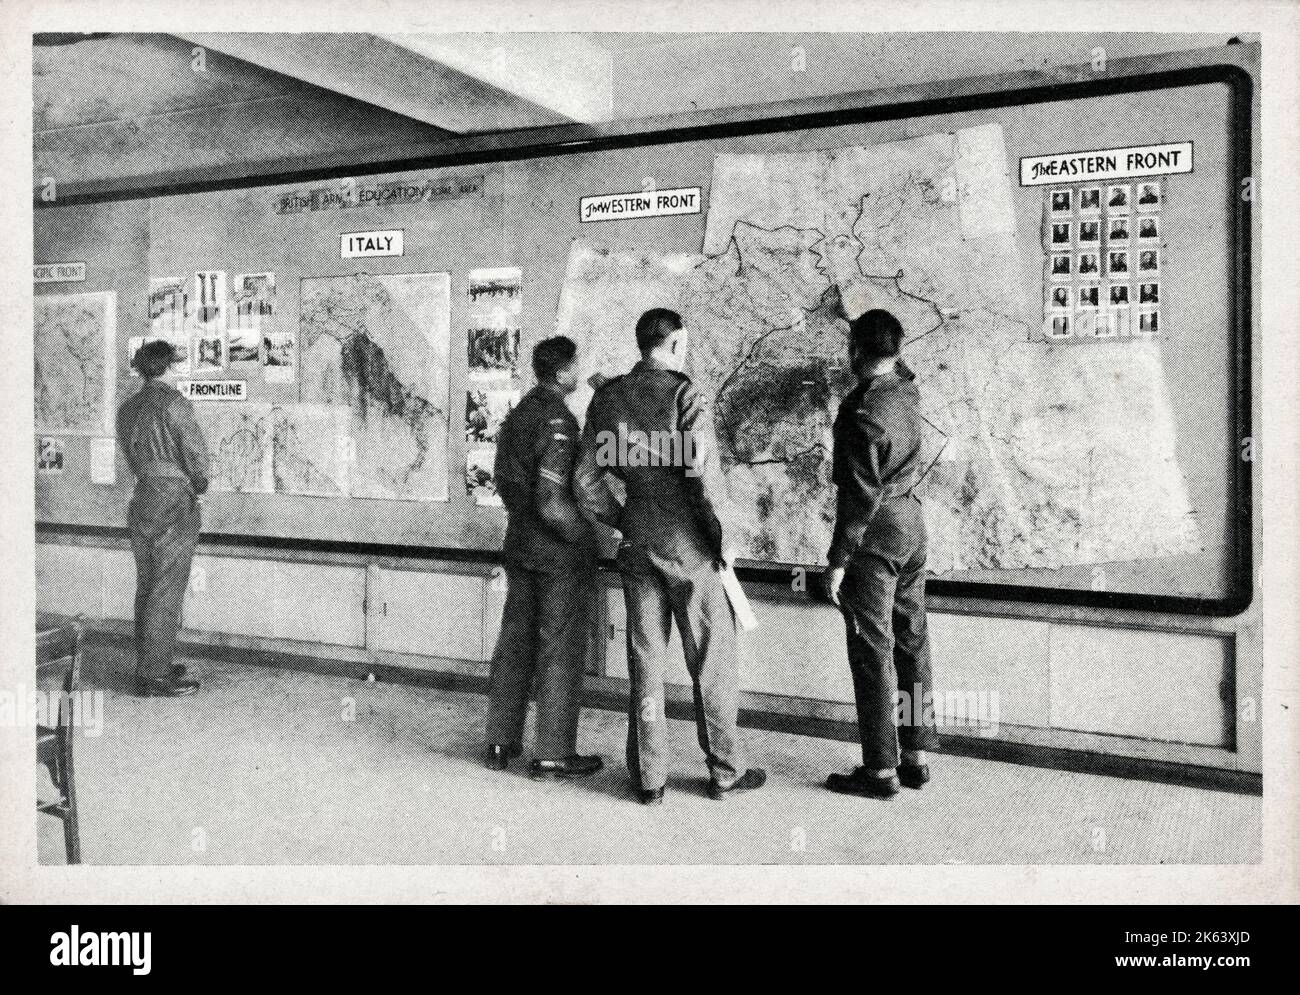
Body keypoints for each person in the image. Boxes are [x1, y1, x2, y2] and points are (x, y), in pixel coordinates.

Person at [575, 308, 765, 805]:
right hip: (690, 545)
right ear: (676, 342)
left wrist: (622, 519)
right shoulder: (685, 395)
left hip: (637, 543)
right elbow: (701, 477)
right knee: (711, 660)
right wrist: (715, 540)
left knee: (645, 661)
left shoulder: (608, 399)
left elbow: (585, 482)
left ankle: (650, 778)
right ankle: (723, 770)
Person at [821, 309, 938, 798]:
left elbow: (860, 494)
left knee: (872, 650)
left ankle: (879, 770)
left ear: (854, 350)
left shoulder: (860, 411)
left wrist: (838, 561)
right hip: (912, 525)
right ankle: (916, 755)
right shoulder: (907, 390)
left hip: (875, 535)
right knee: (911, 641)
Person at [484, 336, 604, 780]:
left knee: (515, 643)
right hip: (555, 554)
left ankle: (500, 741)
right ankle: (552, 752)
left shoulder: (517, 416)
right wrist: (582, 539)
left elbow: (504, 481)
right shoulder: (558, 422)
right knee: (560, 649)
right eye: (576, 366)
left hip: (519, 545)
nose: (580, 371)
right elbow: (552, 500)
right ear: (561, 373)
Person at [115, 340, 209, 697]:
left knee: (148, 583)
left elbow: (133, 456)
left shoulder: (127, 409)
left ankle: (151, 661)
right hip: (173, 499)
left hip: (142, 498)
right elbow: (196, 457)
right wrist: (197, 485)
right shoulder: (175, 403)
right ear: (168, 367)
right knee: (167, 587)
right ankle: (153, 675)